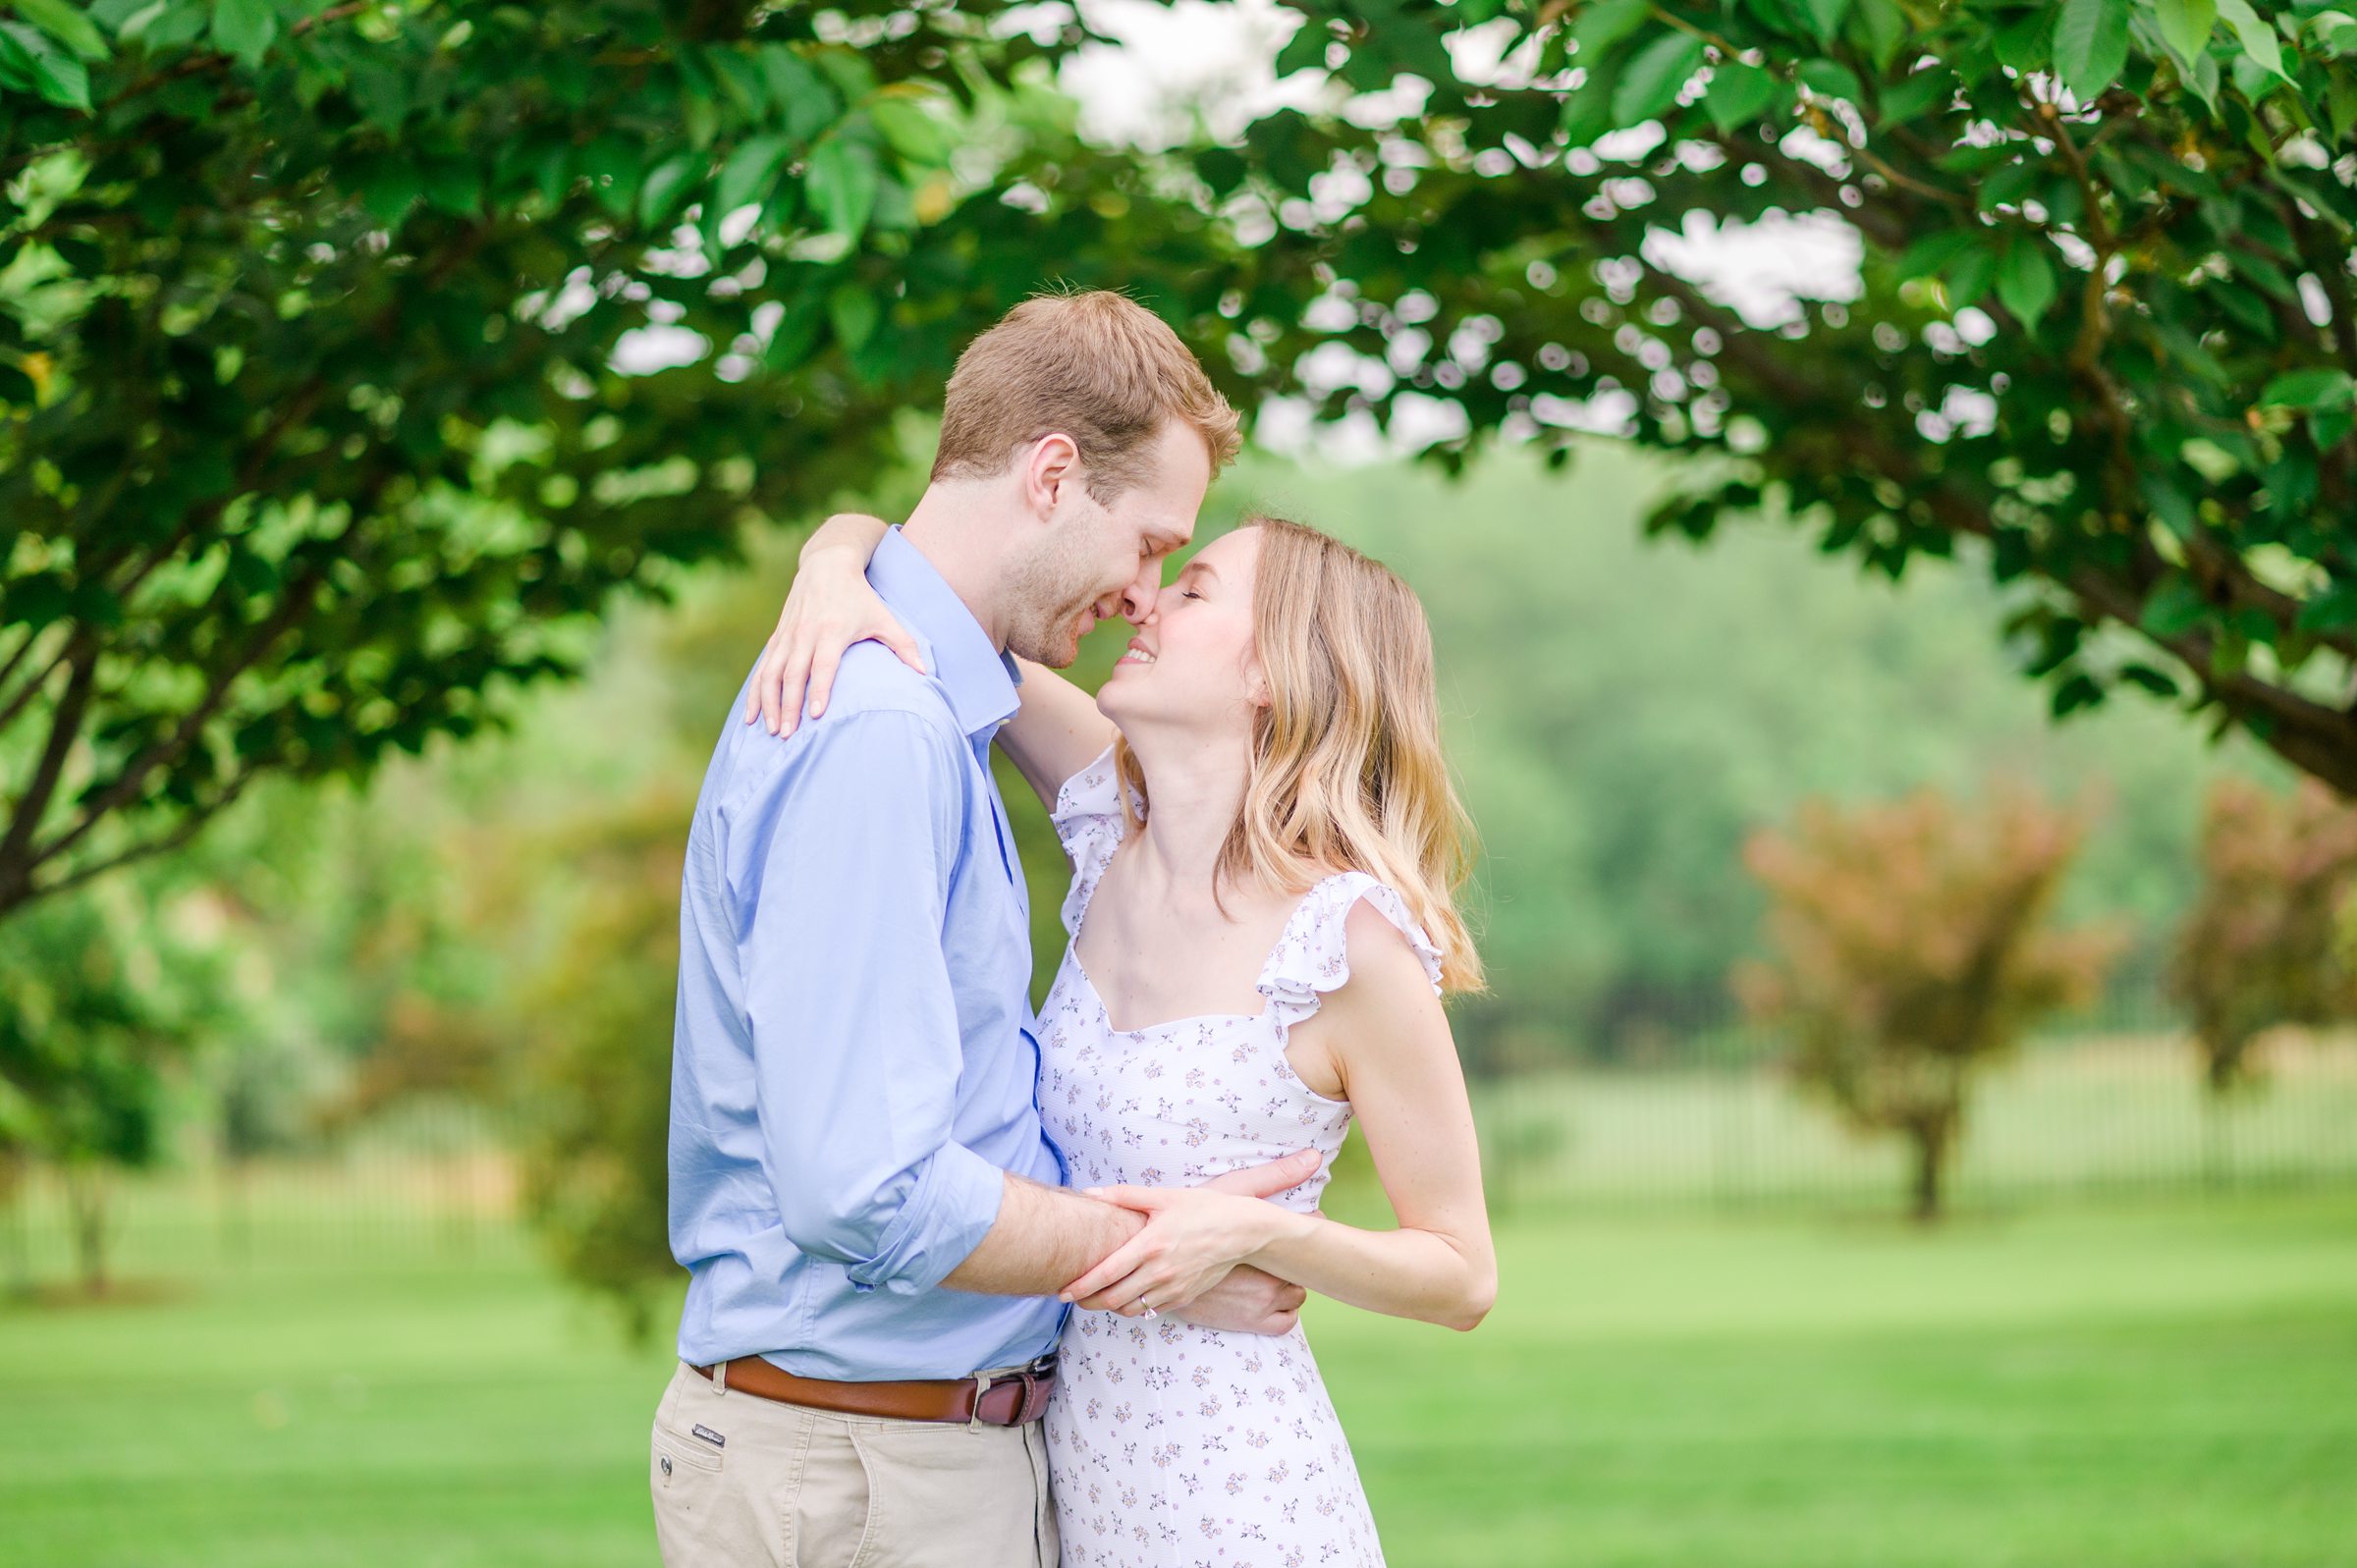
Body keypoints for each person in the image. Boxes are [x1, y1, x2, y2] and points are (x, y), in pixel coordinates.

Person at [656, 292, 1325, 1568]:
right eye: (1148, 547)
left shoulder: (939, 696)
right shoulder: (881, 730)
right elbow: (868, 1190)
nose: (1143, 596)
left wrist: (837, 549)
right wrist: (1163, 1256)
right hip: (858, 1473)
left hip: (905, 1461)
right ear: (1053, 473)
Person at [750, 503, 1497, 1567]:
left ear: (1273, 674)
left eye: (1194, 591)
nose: (1147, 601)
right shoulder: (1109, 823)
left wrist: (1251, 1235)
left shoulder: (1348, 943)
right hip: (1064, 1481)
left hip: (1241, 1494)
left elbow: (1462, 1273)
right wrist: (825, 564)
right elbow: (928, 575)